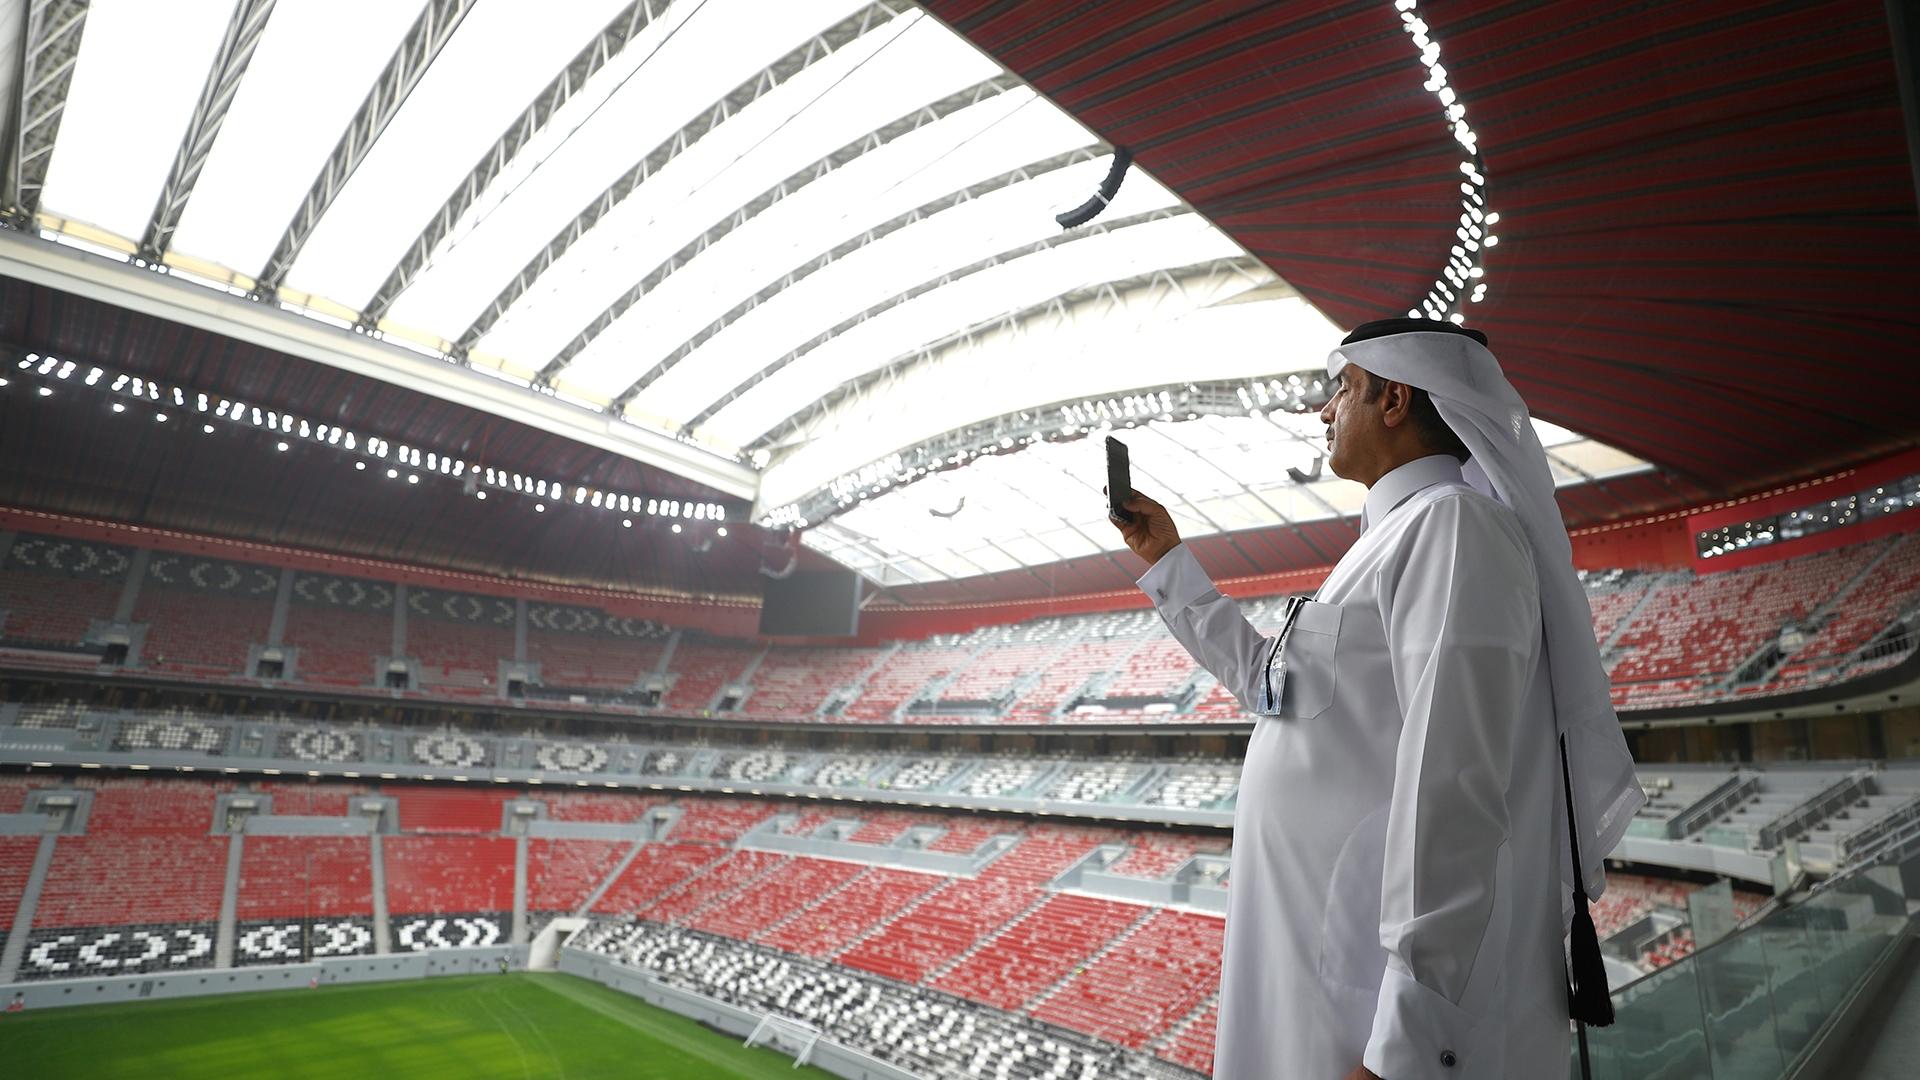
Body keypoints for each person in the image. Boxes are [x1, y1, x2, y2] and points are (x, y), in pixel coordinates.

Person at [1112, 319, 1642, 1079]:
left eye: (1343, 389)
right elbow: (1274, 687)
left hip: (1367, 1004)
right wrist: (1168, 562)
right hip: (1322, 968)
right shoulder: (1386, 543)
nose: (1325, 411)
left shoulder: (1455, 526)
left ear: (1393, 398)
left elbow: (1452, 785)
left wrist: (1411, 1041)